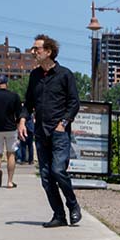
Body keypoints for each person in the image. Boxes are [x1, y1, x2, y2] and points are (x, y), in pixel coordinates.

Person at [22, 34, 81, 228]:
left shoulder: (65, 74)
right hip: (41, 132)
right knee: (46, 178)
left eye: (36, 49)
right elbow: (29, 102)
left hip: (59, 132)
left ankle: (73, 205)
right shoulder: (35, 76)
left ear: (48, 52)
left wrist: (63, 123)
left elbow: (74, 103)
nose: (33, 52)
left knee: (58, 170)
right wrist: (22, 120)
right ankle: (59, 216)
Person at [0, 74, 23, 187]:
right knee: (11, 154)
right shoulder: (14, 96)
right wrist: (18, 126)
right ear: (7, 83)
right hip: (11, 128)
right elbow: (19, 114)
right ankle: (10, 182)